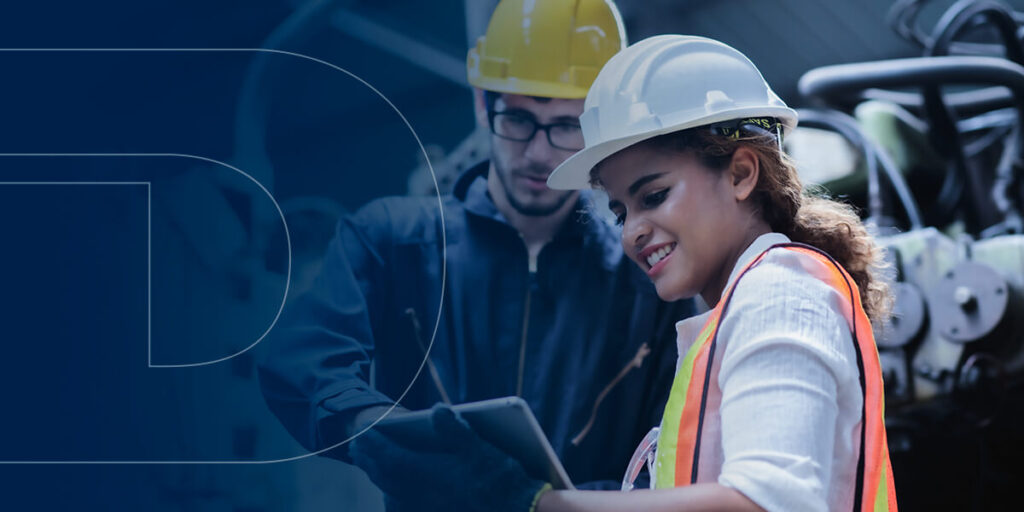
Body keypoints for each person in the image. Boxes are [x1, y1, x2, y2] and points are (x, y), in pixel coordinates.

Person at [258, 1, 694, 510]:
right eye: (519, 118)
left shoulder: (644, 280)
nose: (538, 152)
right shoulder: (392, 240)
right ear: (483, 106)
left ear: (601, 131)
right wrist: (391, 437)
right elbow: (301, 361)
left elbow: (670, 452)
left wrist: (545, 503)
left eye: (566, 126)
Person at [507, 34, 899, 511]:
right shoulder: (738, 311)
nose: (631, 232)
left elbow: (765, 503)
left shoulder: (779, 291)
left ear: (740, 174)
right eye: (620, 212)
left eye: (653, 196)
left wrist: (540, 505)